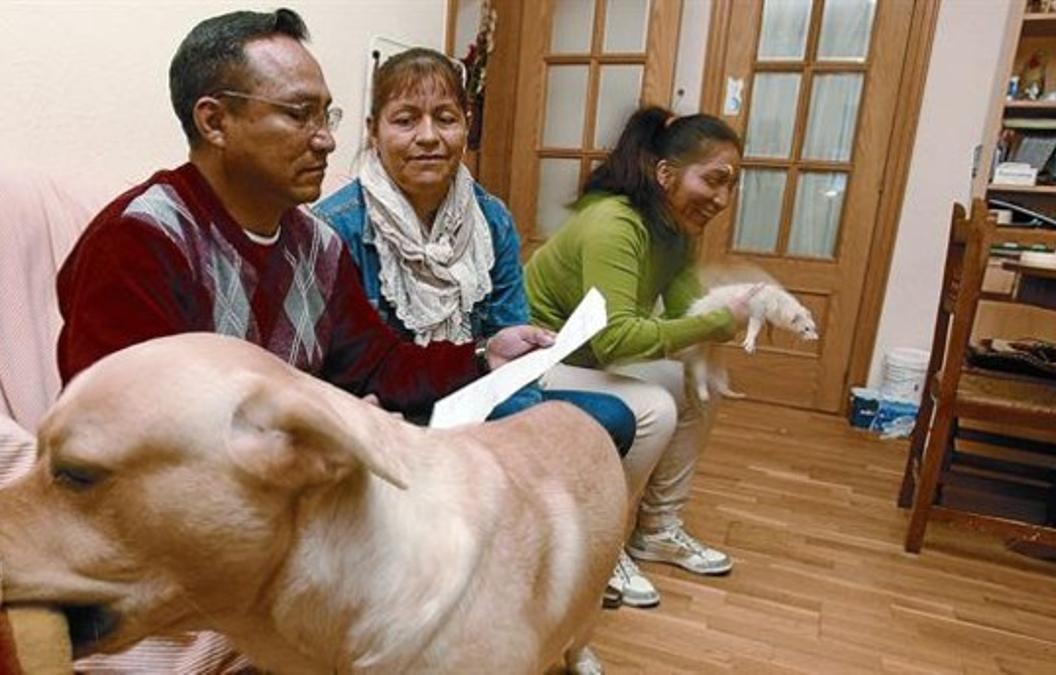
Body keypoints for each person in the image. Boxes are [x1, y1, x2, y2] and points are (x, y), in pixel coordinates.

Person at [56, 9, 552, 417]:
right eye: (299, 114)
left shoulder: (316, 244)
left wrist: (485, 357)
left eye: (325, 114)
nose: (326, 139)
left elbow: (376, 365)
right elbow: (115, 425)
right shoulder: (141, 239)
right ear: (214, 121)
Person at [313, 47, 654, 609]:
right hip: (393, 405)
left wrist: (520, 412)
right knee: (541, 452)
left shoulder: (490, 218)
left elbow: (508, 337)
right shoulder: (335, 228)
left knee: (610, 420)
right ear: (374, 131)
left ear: (466, 128)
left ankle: (535, 567)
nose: (428, 136)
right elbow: (345, 367)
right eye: (406, 120)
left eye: (445, 118)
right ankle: (532, 574)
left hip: (479, 387)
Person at [524, 106, 752, 604]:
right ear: (666, 174)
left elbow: (689, 313)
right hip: (535, 360)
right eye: (714, 180)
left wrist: (744, 312)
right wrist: (717, 320)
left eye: (730, 186)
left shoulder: (672, 233)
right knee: (656, 407)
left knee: (699, 378)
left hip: (586, 357)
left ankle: (656, 530)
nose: (721, 198)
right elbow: (618, 339)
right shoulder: (615, 223)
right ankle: (599, 546)